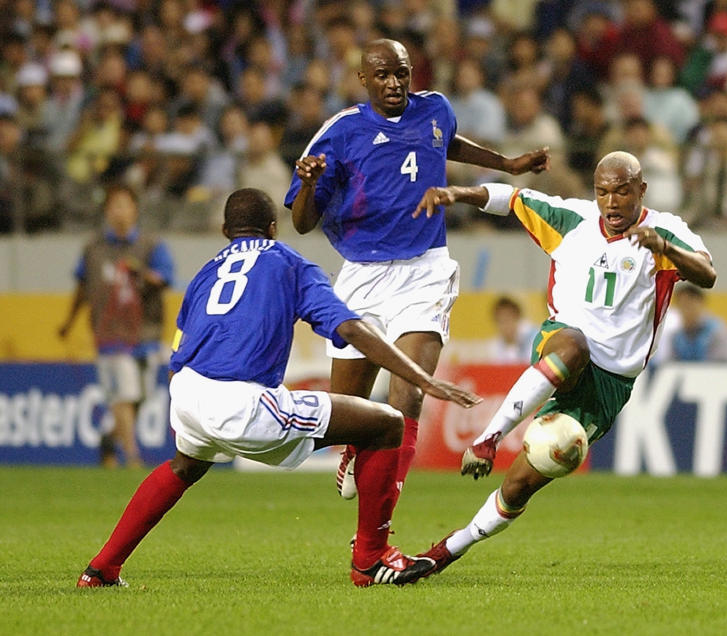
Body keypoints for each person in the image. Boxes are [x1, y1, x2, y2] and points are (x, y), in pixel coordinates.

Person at [76, 188, 480, 588]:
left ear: (224, 231)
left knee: (185, 465)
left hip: (187, 393)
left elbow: (178, 352)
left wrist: (193, 414)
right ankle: (371, 559)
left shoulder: (205, 274)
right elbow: (351, 328)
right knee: (387, 423)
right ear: (273, 228)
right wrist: (421, 378)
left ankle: (101, 570)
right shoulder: (289, 263)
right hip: (241, 403)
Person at [283, 38, 549, 586]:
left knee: (408, 396)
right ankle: (354, 452)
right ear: (363, 79)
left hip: (425, 267)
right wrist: (309, 185)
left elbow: (447, 142)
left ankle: (373, 542)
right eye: (383, 75)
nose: (395, 83)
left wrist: (508, 165)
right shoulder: (339, 133)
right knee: (350, 408)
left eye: (401, 73)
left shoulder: (435, 107)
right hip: (361, 274)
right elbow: (303, 224)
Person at [405, 151, 716, 580]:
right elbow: (511, 199)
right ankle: (489, 437)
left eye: (622, 191)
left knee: (520, 485)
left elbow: (707, 274)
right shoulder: (573, 222)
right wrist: (457, 193)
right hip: (562, 341)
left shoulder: (665, 232)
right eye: (603, 191)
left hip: (609, 384)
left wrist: (664, 247)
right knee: (575, 347)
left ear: (640, 190)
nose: (612, 202)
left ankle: (446, 551)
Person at [58, 185, 174, 468]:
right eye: (114, 205)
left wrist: (142, 273)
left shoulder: (151, 245)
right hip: (109, 333)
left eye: (125, 205)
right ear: (107, 211)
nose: (120, 211)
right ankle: (132, 456)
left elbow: (166, 279)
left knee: (141, 397)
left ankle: (110, 438)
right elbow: (82, 287)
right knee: (124, 393)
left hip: (145, 330)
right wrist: (69, 322)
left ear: (135, 209)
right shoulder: (93, 248)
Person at [663, 283, 727, 363]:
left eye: (690, 304)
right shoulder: (677, 337)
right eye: (682, 304)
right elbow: (672, 364)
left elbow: (724, 364)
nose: (687, 310)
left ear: (701, 303)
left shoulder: (716, 331)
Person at [488, 296, 538, 364]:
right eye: (501, 321)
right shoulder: (495, 345)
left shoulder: (535, 337)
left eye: (508, 319)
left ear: (517, 317)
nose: (505, 325)